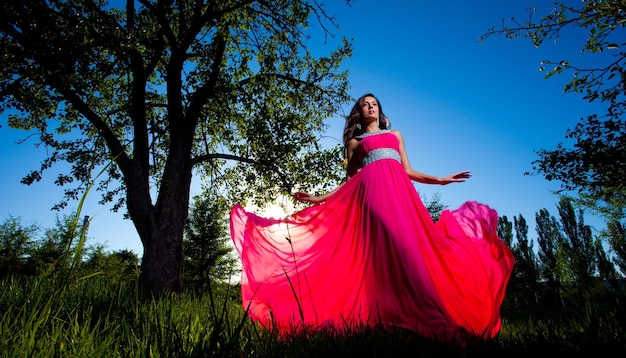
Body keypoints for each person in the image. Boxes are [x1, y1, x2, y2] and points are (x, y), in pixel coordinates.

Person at [230, 93, 514, 342]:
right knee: (381, 251)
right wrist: (317, 199)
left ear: (380, 110)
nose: (371, 107)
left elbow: (409, 171)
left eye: (374, 104)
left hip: (401, 198)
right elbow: (349, 183)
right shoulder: (355, 143)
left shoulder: (396, 135)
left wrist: (441, 180)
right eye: (365, 105)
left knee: (410, 251)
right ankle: (384, 311)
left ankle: (423, 310)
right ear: (359, 112)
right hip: (372, 200)